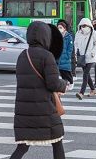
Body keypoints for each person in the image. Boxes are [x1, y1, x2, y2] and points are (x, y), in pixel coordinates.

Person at [10, 21, 68, 159]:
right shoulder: (47, 56)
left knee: (23, 145)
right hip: (44, 108)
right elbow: (53, 84)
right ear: (46, 37)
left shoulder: (23, 55)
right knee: (57, 140)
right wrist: (64, 84)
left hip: (24, 110)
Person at [74, 18, 96, 100]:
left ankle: (81, 92)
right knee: (87, 74)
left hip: (90, 57)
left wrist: (93, 52)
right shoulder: (78, 33)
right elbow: (75, 44)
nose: (83, 27)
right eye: (82, 26)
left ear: (89, 25)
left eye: (85, 25)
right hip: (81, 57)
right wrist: (75, 53)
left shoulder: (94, 33)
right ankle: (93, 90)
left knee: (85, 74)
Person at [57, 21, 74, 90]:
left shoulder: (68, 36)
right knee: (61, 71)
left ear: (64, 28)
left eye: (60, 27)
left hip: (65, 57)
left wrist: (68, 56)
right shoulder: (57, 36)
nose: (59, 29)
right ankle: (65, 84)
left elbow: (70, 48)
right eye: (58, 28)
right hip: (59, 57)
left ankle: (71, 82)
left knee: (67, 71)